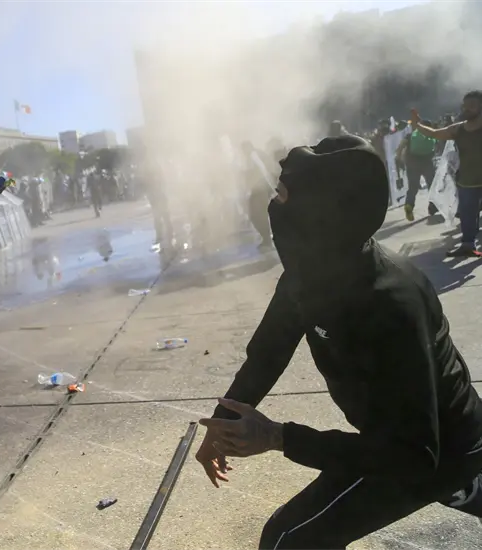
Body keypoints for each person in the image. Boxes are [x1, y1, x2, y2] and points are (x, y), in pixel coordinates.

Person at [195, 135, 482, 549]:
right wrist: (224, 423)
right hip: (392, 442)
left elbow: (415, 456)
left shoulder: (390, 303)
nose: (273, 206)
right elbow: (266, 355)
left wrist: (280, 437)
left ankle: (462, 483)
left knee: (288, 540)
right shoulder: (306, 276)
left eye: (282, 195)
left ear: (319, 213)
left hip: (433, 452)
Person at [412, 91, 482, 257]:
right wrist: (418, 125)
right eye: (465, 106)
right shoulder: (458, 129)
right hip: (467, 180)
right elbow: (435, 133)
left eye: (472, 105)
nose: (467, 109)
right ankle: (467, 245)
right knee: (467, 214)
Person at [397, 119, 439, 222]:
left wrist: (400, 158)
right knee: (431, 184)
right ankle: (433, 206)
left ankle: (409, 205)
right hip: (427, 163)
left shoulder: (411, 135)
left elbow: (400, 147)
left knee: (413, 187)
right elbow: (437, 148)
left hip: (412, 164)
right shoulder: (432, 135)